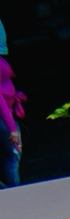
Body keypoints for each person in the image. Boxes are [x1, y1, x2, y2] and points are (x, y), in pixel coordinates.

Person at [0, 52, 23, 188]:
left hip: (7, 114)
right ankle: (13, 193)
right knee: (13, 155)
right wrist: (12, 128)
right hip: (3, 118)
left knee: (11, 155)